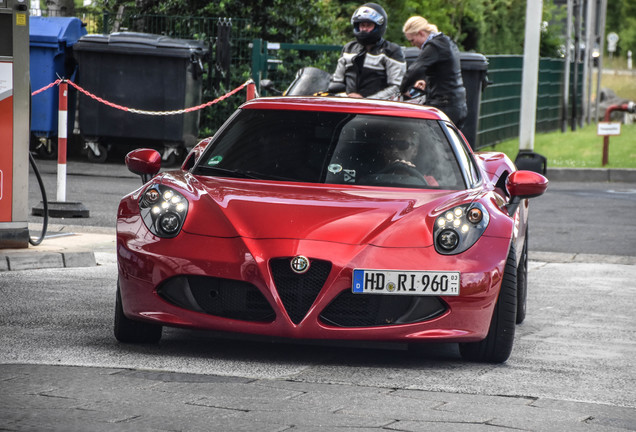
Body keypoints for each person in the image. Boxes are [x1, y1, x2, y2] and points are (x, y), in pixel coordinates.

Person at [328, 3, 406, 100]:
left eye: (369, 25)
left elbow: (397, 87)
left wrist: (367, 100)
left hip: (378, 108)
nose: (364, 29)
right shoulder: (349, 48)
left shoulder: (391, 50)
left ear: (378, 26)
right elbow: (337, 81)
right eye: (362, 25)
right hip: (349, 105)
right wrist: (342, 94)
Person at [400, 16, 467, 128]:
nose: (412, 44)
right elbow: (444, 70)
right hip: (458, 104)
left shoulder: (434, 46)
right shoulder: (446, 41)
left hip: (444, 105)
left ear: (421, 33)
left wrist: (403, 90)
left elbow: (415, 69)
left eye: (412, 40)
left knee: (428, 142)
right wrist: (426, 82)